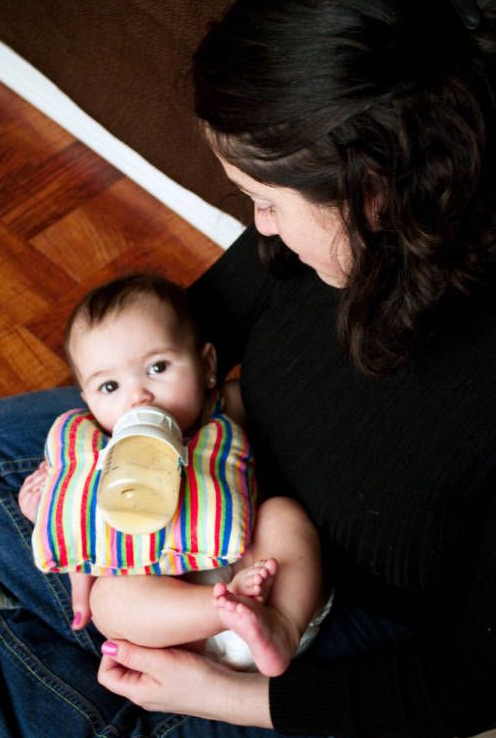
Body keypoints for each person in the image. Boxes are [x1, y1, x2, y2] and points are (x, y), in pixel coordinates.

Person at [0, 0, 496, 738]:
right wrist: (82, 501)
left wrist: (231, 696)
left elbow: (470, 679)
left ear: (374, 192)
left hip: (341, 617)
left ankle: (14, 613)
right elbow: (191, 327)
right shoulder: (328, 204)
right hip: (215, 454)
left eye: (269, 200)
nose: (260, 226)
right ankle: (70, 628)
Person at [18, 273, 325, 677]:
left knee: (283, 515)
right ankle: (223, 608)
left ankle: (282, 627)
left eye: (157, 367)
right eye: (109, 386)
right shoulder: (93, 450)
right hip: (179, 629)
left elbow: (289, 401)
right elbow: (77, 522)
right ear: (87, 401)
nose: (137, 396)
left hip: (261, 584)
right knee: (109, 598)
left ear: (208, 365)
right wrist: (41, 507)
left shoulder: (225, 410)